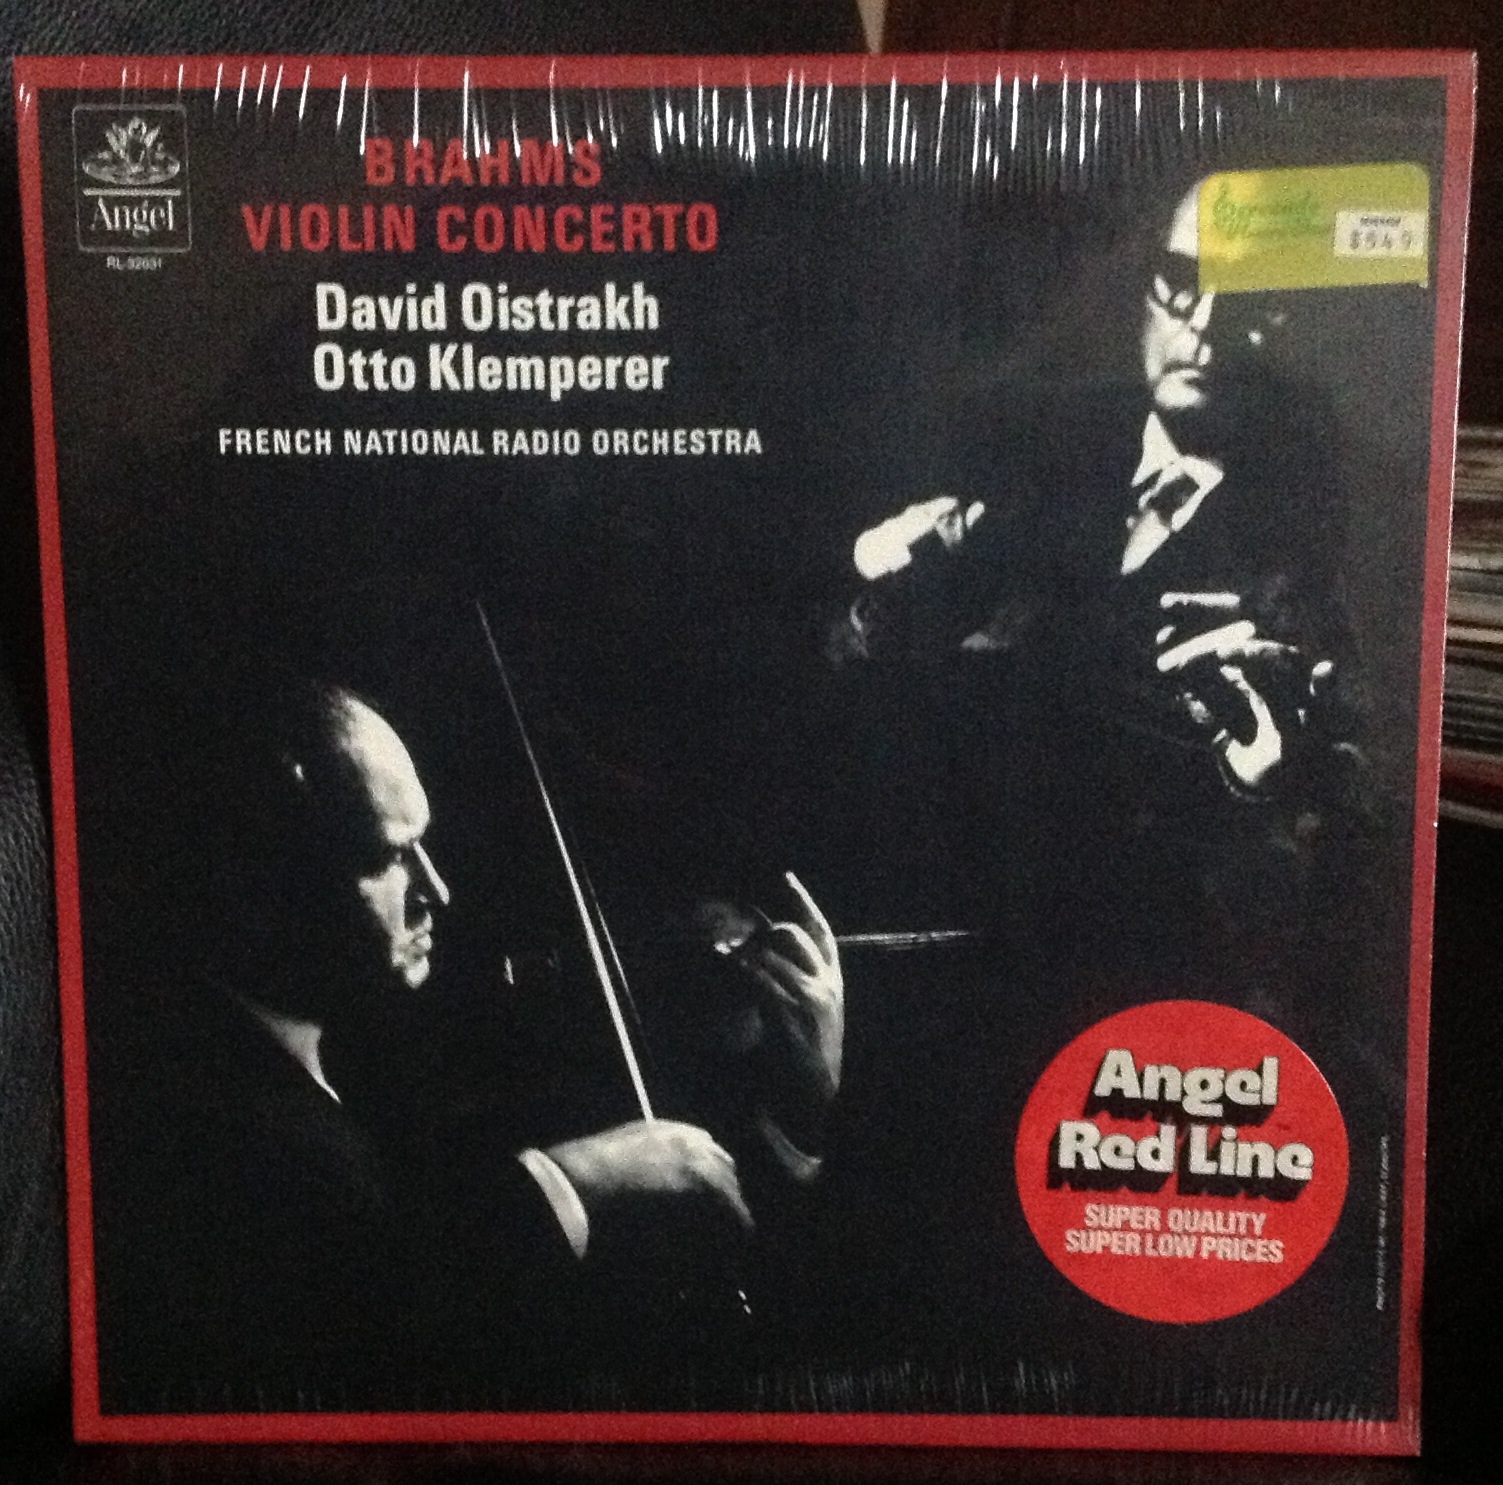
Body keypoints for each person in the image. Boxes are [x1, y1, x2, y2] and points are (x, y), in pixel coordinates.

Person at [87, 679, 842, 1413]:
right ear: (261, 878)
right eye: (387, 857)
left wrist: (798, 1101)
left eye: (425, 847)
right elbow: (391, 1327)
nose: (436, 891)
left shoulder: (333, 1060)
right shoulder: (208, 1115)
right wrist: (584, 1174)